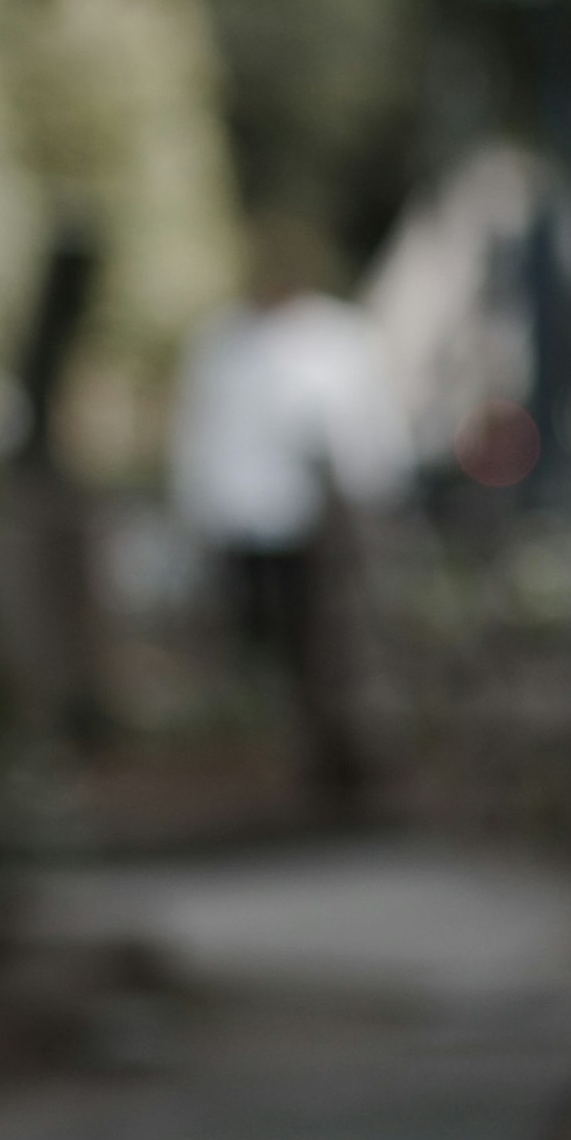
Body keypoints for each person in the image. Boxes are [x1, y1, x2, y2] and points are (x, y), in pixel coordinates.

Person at [169, 220, 410, 814]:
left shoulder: (337, 337)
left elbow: (369, 429)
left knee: (332, 651)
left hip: (324, 526)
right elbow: (200, 437)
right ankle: (286, 764)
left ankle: (341, 762)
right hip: (248, 524)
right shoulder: (222, 343)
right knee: (263, 647)